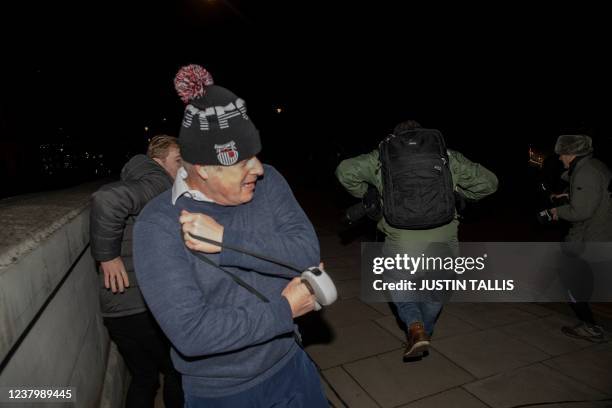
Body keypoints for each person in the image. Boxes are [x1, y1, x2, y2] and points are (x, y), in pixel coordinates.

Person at [132, 65, 327, 407]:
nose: (259, 169)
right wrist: (284, 310)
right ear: (203, 169)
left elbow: (307, 254)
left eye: (257, 155)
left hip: (291, 363)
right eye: (242, 162)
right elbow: (192, 333)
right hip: (223, 392)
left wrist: (228, 240)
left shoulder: (270, 184)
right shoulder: (157, 225)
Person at [336, 120, 498, 359]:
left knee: (397, 282)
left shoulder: (383, 155)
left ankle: (415, 326)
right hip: (443, 242)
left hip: (401, 243)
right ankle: (425, 332)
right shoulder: (447, 156)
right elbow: (490, 183)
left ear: (396, 138)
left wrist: (374, 195)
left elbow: (344, 171)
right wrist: (457, 194)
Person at [90, 135, 184, 408]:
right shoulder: (158, 182)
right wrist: (107, 256)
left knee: (144, 377)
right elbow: (106, 199)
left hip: (116, 311)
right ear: (158, 161)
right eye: (178, 161)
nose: (184, 168)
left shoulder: (143, 180)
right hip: (142, 310)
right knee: (176, 372)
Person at [548, 134, 612, 342]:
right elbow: (593, 197)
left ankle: (590, 328)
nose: (560, 158)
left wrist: (558, 211)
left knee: (571, 282)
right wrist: (567, 196)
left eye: (562, 154)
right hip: (599, 235)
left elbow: (581, 211)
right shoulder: (595, 166)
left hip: (589, 238)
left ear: (572, 154)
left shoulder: (585, 173)